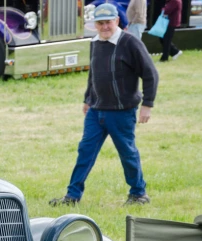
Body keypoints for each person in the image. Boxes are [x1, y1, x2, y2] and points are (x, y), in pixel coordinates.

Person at [50, 3, 158, 207]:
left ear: (117, 21)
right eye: (100, 23)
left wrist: (147, 104)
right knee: (85, 151)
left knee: (127, 153)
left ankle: (138, 193)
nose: (105, 27)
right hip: (96, 110)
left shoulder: (130, 43)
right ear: (95, 25)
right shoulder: (95, 43)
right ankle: (72, 196)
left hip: (122, 112)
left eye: (108, 22)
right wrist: (87, 99)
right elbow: (94, 74)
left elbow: (150, 73)